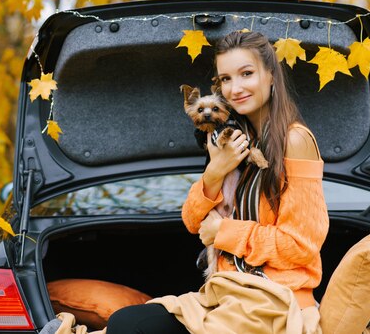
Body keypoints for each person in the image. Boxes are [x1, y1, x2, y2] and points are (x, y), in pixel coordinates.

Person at [106, 31, 329, 333]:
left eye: (246, 74)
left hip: (275, 298)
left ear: (271, 75)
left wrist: (223, 231)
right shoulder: (232, 137)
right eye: (225, 79)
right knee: (126, 322)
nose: (235, 88)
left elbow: (299, 246)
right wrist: (215, 171)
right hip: (228, 292)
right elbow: (192, 221)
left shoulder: (296, 139)